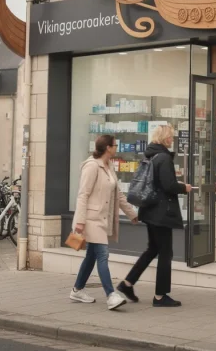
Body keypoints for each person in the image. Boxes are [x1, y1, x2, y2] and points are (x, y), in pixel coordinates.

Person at [117, 125, 191, 308]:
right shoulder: (164, 157)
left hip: (149, 209)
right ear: (166, 138)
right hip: (161, 212)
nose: (172, 140)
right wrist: (183, 187)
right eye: (170, 137)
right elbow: (168, 185)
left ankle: (127, 284)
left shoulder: (150, 155)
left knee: (153, 249)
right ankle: (160, 296)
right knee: (166, 252)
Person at [70, 134, 138, 310]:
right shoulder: (92, 166)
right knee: (103, 254)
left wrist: (132, 214)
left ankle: (77, 289)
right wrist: (79, 221)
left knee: (91, 256)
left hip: (102, 219)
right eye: (115, 145)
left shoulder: (108, 166)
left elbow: (118, 195)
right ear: (108, 147)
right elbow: (83, 194)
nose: (116, 148)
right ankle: (111, 295)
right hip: (91, 219)